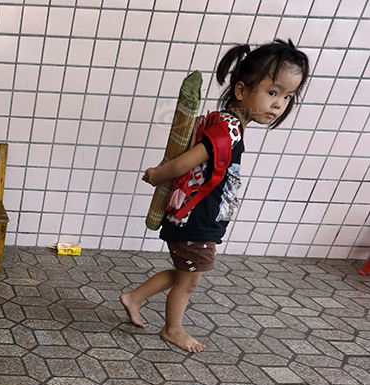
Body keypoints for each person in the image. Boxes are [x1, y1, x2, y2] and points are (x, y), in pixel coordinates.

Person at [121, 40, 310, 352]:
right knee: (190, 279)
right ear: (240, 90)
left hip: (201, 218)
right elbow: (184, 163)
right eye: (273, 92)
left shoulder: (232, 124)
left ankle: (134, 297)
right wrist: (156, 176)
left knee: (186, 272)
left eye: (288, 96)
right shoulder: (228, 129)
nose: (280, 104)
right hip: (195, 219)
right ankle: (173, 329)